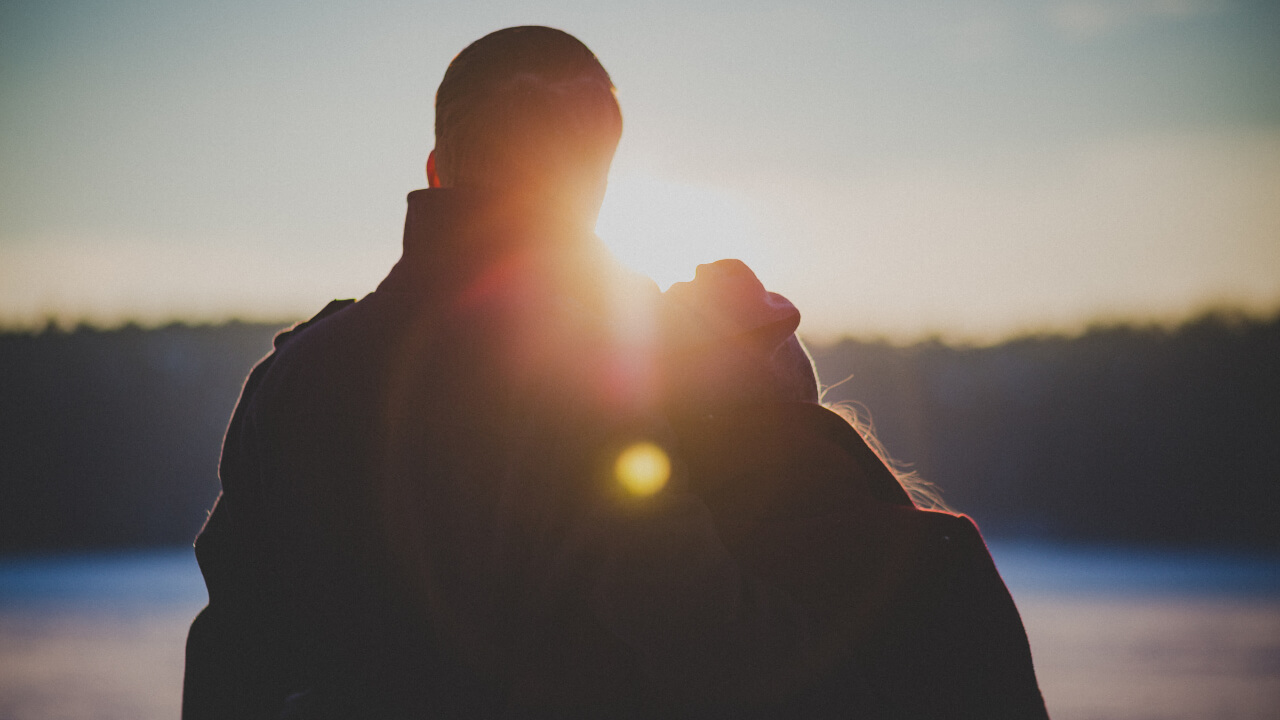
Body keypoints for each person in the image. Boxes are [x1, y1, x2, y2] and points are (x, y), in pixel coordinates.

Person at [184, 26, 832, 719]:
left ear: (436, 169)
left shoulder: (292, 380)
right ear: (594, 187)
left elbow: (229, 663)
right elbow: (704, 634)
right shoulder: (602, 366)